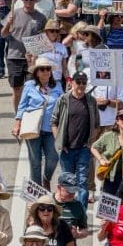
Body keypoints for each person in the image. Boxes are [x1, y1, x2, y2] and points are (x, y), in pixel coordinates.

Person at [50, 70, 100, 207]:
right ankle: (67, 210)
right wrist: (58, 141)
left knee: (82, 182)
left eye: (84, 82)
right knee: (67, 182)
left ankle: (81, 214)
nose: (81, 85)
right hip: (67, 150)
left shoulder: (91, 101)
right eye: (78, 82)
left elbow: (96, 125)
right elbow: (53, 121)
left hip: (83, 149)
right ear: (72, 82)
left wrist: (90, 143)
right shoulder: (64, 100)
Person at [14, 57, 63, 188]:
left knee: (53, 158)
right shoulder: (29, 86)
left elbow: (64, 105)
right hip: (32, 128)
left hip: (51, 128)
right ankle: (37, 189)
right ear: (36, 72)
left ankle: (46, 178)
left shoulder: (57, 86)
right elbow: (22, 106)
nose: (46, 72)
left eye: (48, 69)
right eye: (42, 69)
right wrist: (17, 124)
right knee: (35, 161)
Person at [1, 0, 48, 112]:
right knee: (17, 89)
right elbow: (3, 34)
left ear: (35, 0)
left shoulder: (41, 17)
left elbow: (44, 38)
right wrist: (8, 24)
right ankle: (18, 116)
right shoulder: (14, 14)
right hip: (14, 56)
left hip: (32, 59)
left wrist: (36, 54)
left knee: (31, 89)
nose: (28, 1)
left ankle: (29, 114)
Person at [92, 109, 123, 196]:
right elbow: (94, 147)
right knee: (109, 207)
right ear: (117, 121)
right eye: (122, 118)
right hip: (110, 177)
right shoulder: (108, 136)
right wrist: (101, 160)